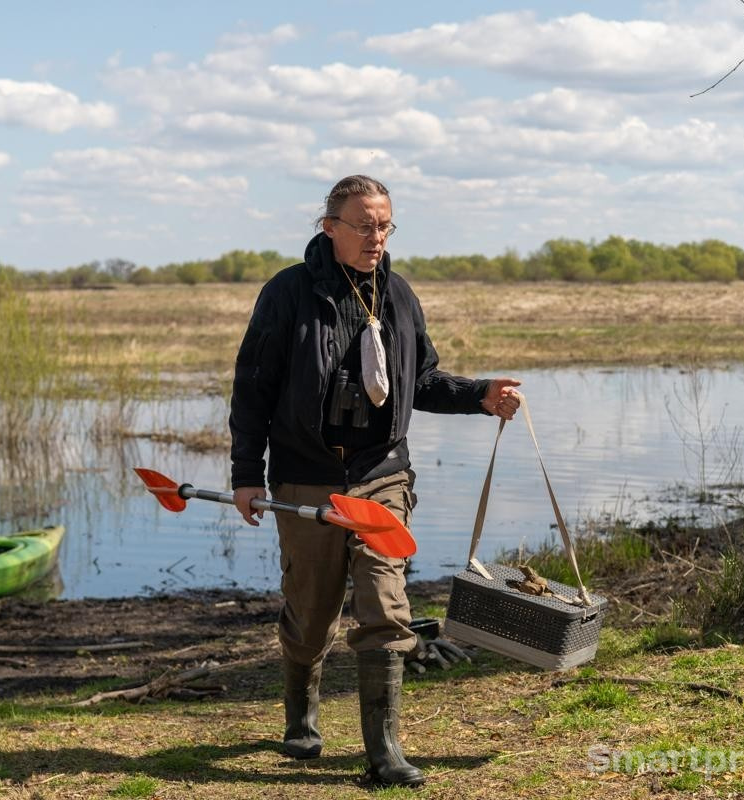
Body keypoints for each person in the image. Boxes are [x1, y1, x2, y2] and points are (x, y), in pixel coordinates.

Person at [229, 174, 521, 788]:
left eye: (385, 224)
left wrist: (481, 396)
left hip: (381, 475)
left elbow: (423, 380)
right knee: (311, 616)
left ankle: (382, 753)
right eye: (363, 224)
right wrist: (245, 476)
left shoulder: (399, 296)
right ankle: (300, 712)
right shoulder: (286, 295)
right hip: (305, 477)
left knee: (387, 606)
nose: (376, 236)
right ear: (328, 227)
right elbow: (252, 389)